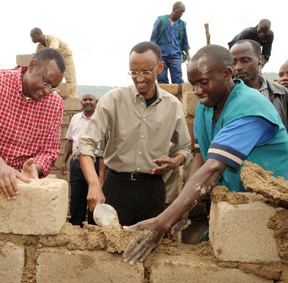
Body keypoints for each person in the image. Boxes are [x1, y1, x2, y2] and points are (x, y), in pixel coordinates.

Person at [123, 44, 288, 265]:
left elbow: (213, 168)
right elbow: (201, 155)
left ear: (227, 74)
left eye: (203, 82)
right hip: (237, 202)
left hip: (271, 207)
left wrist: (162, 222)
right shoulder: (207, 105)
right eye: (193, 84)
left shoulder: (249, 109)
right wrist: (183, 208)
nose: (197, 91)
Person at [77, 41, 191, 227]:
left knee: (149, 250)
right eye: (134, 72)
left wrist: (175, 161)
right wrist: (94, 184)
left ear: (160, 68)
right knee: (109, 248)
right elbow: (86, 144)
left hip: (153, 190)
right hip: (117, 188)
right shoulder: (112, 100)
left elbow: (184, 148)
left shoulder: (172, 106)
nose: (139, 78)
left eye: (146, 72)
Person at [0, 48, 65, 200]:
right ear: (32, 66)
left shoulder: (55, 103)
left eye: (53, 87)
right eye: (46, 82)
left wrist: (34, 168)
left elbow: (50, 151)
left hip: (26, 183)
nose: (47, 91)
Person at [230, 39, 288, 131]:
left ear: (260, 60)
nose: (238, 67)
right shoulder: (225, 94)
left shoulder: (282, 93)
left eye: (245, 60)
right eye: (234, 62)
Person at [60, 93, 99, 226]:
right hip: (77, 162)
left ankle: (94, 227)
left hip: (95, 162)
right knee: (77, 195)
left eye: (91, 100)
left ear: (96, 102)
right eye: (85, 100)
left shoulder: (101, 118)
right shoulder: (75, 118)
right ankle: (76, 226)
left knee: (95, 194)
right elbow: (70, 140)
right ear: (81, 102)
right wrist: (64, 160)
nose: (88, 102)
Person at [150, 1, 190, 84]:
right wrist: (152, 54)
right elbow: (153, 39)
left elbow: (185, 42)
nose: (181, 14)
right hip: (161, 55)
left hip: (176, 56)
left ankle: (177, 97)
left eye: (183, 12)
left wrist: (188, 55)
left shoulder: (181, 25)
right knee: (162, 79)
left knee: (178, 80)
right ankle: (164, 96)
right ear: (174, 10)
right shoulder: (161, 21)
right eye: (180, 11)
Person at [30, 27, 77, 97]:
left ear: (38, 34)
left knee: (70, 77)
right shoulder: (39, 46)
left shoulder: (52, 38)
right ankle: (53, 96)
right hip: (54, 60)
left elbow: (52, 52)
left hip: (65, 56)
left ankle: (72, 98)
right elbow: (38, 58)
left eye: (33, 37)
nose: (32, 39)